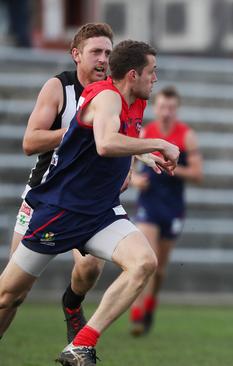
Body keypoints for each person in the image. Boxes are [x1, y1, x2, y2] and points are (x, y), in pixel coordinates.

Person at [0, 39, 180, 365]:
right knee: (7, 295)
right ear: (133, 74)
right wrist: (160, 143)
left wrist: (143, 153)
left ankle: (80, 344)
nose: (155, 79)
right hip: (61, 210)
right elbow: (105, 143)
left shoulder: (134, 100)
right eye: (151, 72)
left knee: (143, 263)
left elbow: (120, 138)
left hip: (100, 212)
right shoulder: (108, 96)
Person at [6, 22, 113, 344]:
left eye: (108, 52)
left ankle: (72, 305)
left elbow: (124, 138)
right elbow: (30, 142)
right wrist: (77, 131)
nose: (103, 59)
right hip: (44, 196)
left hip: (86, 202)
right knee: (13, 294)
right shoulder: (58, 88)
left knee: (91, 267)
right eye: (96, 51)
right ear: (76, 55)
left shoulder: (112, 93)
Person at [129, 85, 203, 336]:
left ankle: (151, 303)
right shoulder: (146, 133)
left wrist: (173, 167)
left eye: (171, 108)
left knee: (159, 269)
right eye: (162, 107)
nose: (166, 112)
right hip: (148, 204)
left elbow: (197, 174)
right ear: (155, 108)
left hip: (172, 208)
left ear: (177, 109)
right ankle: (138, 314)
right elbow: (128, 162)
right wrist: (134, 179)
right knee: (147, 260)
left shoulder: (186, 136)